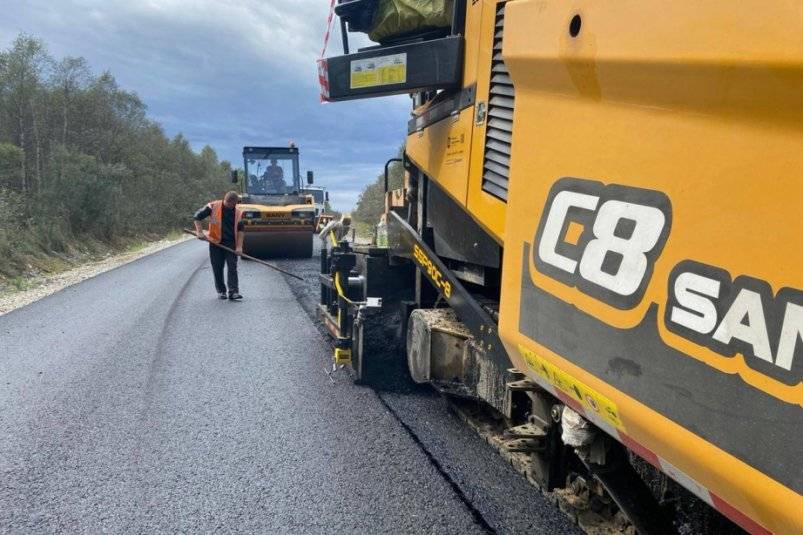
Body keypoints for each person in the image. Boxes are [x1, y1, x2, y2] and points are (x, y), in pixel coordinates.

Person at [193, 191, 245, 300]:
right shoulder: (212, 207)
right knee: (217, 268)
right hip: (215, 243)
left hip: (231, 243)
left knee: (232, 266)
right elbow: (197, 217)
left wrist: (239, 247)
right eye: (229, 203)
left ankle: (233, 292)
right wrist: (199, 232)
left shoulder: (238, 213)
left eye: (232, 204)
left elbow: (240, 231)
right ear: (226, 200)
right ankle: (221, 291)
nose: (231, 206)